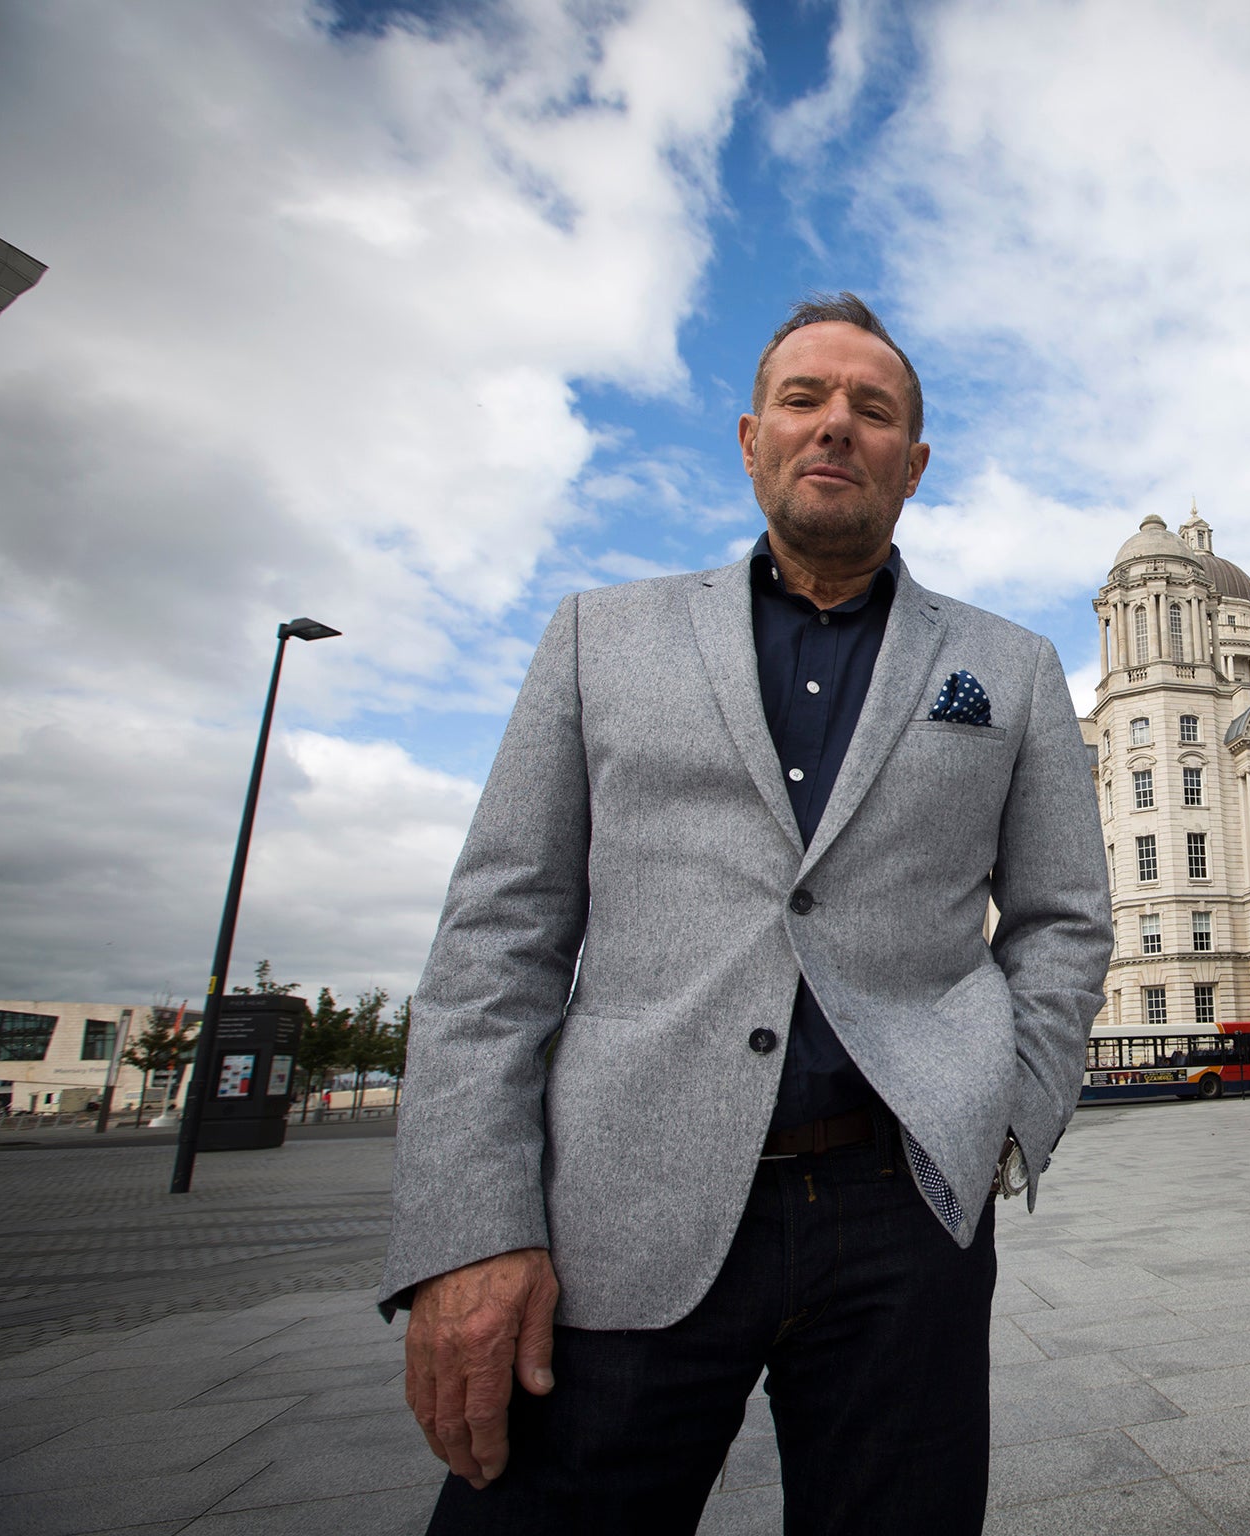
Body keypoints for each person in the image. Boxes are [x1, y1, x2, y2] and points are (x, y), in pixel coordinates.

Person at [381, 292, 1112, 1535]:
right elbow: (498, 938)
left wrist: (1003, 1112)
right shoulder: (595, 638)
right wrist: (469, 1230)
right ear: (749, 438)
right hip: (617, 1209)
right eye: (803, 399)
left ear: (914, 462)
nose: (835, 426)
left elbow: (1060, 919)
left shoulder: (1013, 666)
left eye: (871, 410)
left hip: (903, 1216)